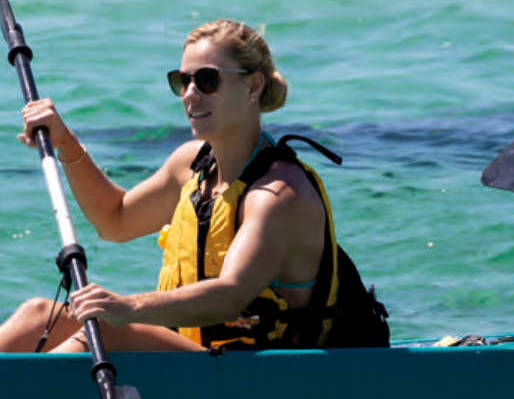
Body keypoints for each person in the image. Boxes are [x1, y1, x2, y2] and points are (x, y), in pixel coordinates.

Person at [0, 19, 388, 353]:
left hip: (261, 374)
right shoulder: (191, 165)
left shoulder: (278, 193)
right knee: (38, 315)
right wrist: (67, 144)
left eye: (207, 80)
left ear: (253, 86)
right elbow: (114, 220)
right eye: (182, 81)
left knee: (102, 332)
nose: (190, 94)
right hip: (198, 358)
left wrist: (128, 307)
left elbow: (231, 295)